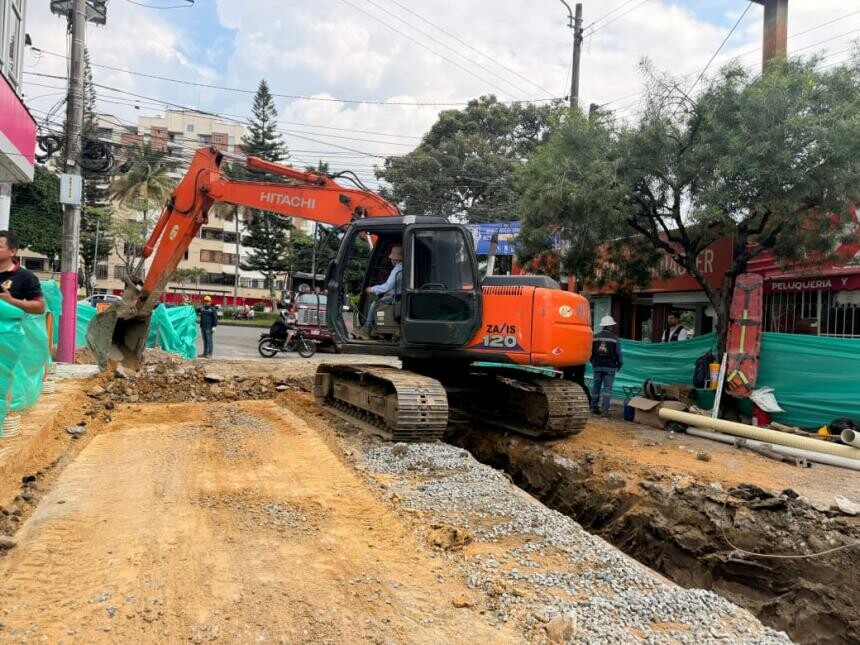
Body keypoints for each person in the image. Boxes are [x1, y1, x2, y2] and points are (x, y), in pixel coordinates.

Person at [354, 245, 402, 340]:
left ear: (395, 259)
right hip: (398, 295)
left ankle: (367, 329)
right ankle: (375, 329)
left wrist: (372, 289)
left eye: (391, 259)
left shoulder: (397, 269)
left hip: (397, 298)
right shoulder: (405, 267)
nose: (390, 261)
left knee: (375, 304)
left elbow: (387, 286)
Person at [0, 231, 45, 315]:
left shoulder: (25, 276)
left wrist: (11, 301)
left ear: (12, 251)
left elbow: (40, 307)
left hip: (6, 327)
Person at [590, 315, 623, 416]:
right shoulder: (615, 338)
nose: (612, 327)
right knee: (607, 390)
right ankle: (604, 411)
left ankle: (594, 408)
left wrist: (593, 362)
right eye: (612, 325)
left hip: (597, 366)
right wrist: (619, 365)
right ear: (609, 326)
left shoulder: (595, 337)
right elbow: (619, 354)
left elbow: (590, 352)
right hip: (610, 367)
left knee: (596, 388)